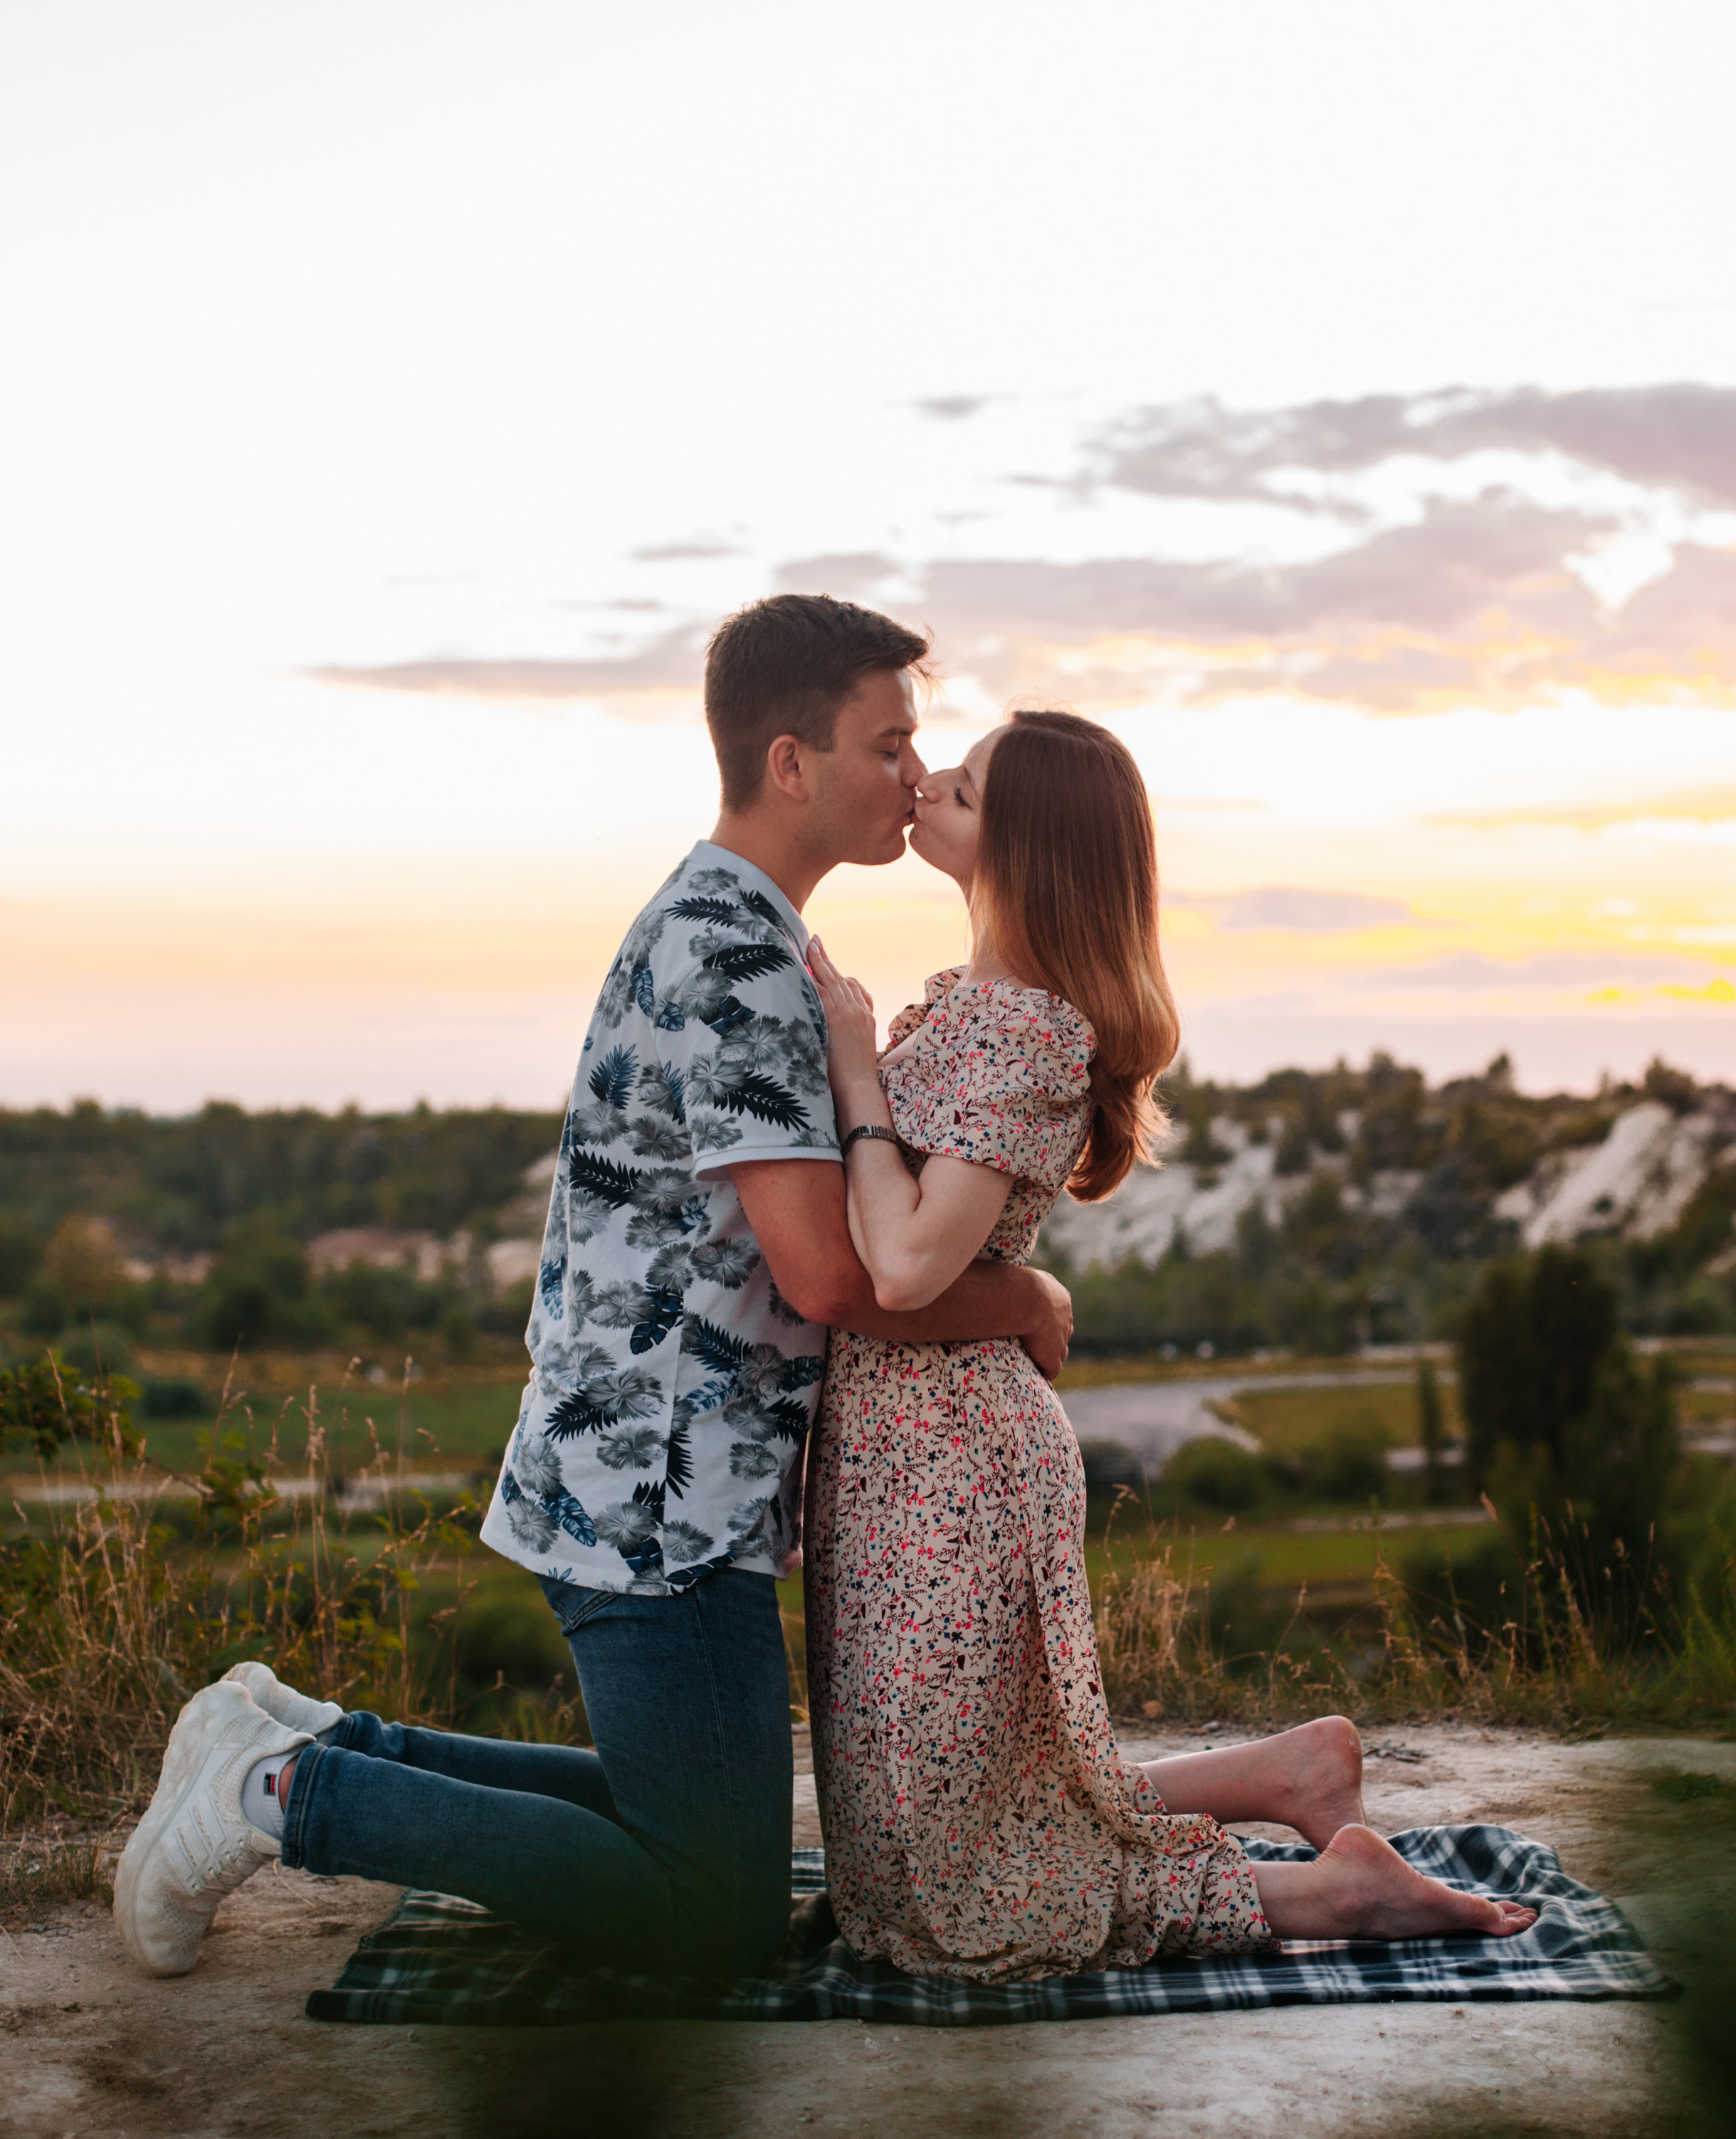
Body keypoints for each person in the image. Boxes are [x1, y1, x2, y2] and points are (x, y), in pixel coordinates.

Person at [112, 594, 1079, 1982]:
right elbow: (822, 1271)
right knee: (711, 1917)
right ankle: (283, 1797)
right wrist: (1022, 1306)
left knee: (686, 1841)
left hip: (664, 1478)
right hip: (661, 1494)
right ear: (790, 761)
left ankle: (309, 1746)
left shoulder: (726, 923)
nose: (913, 776)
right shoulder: (738, 956)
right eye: (888, 743)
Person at [803, 710, 1537, 1975]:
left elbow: (913, 1264)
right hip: (891, 1449)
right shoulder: (971, 1007)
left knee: (950, 1908)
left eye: (965, 788)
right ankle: (1287, 1771)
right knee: (911, 1847)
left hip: (948, 1463)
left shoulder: (1023, 1026)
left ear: (1026, 850)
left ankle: (1323, 1898)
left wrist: (856, 1074)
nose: (929, 786)